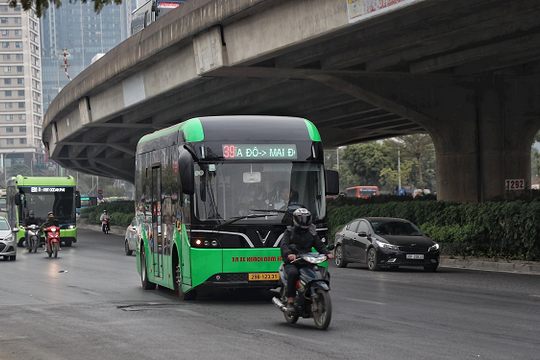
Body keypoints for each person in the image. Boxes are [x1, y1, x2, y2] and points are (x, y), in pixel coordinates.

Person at [280, 208, 334, 313]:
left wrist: (328, 253)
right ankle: (290, 300)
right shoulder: (289, 231)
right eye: (302, 218)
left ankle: (318, 292)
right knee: (293, 273)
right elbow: (284, 245)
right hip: (293, 262)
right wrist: (289, 254)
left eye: (306, 218)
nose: (304, 221)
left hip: (307, 260)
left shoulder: (312, 231)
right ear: (295, 220)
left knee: (323, 271)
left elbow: (319, 245)